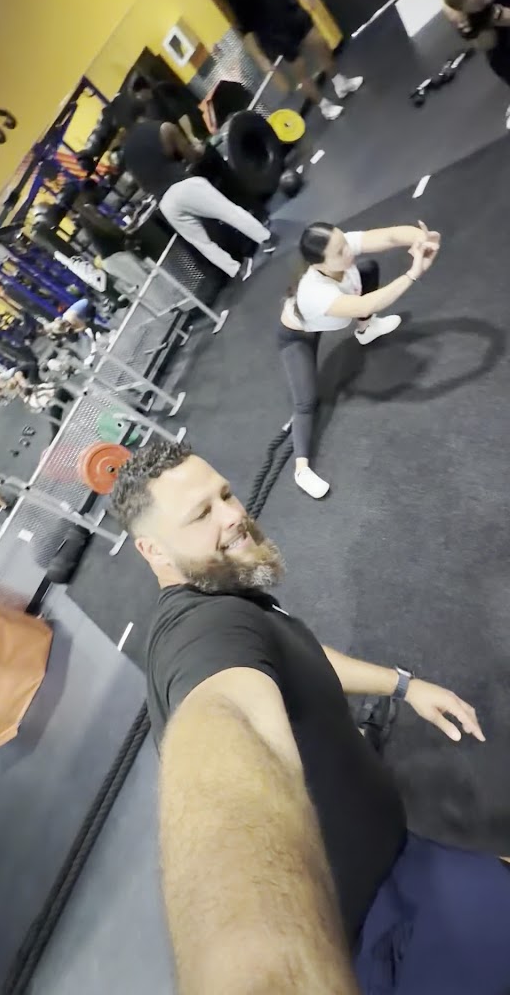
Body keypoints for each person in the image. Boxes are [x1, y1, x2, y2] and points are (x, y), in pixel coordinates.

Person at [110, 440, 510, 995]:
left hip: (403, 859)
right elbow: (222, 720)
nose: (233, 515)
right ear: (152, 549)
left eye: (225, 494)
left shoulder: (227, 594)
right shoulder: (200, 631)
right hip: (387, 931)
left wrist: (403, 686)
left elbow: (298, 657)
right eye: (201, 514)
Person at [278, 220, 441, 499]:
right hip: (297, 337)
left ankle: (365, 329)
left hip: (326, 317)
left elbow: (389, 236)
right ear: (319, 264)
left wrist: (421, 239)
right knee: (305, 403)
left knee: (367, 269)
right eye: (339, 252)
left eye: (344, 243)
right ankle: (301, 470)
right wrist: (413, 273)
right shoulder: (314, 292)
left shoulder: (339, 248)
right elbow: (366, 303)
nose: (347, 250)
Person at [118, 105, 275, 279]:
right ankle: (267, 239)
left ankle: (238, 270)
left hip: (165, 203)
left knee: (202, 243)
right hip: (183, 185)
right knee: (228, 212)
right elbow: (192, 156)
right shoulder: (163, 128)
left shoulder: (126, 153)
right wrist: (198, 148)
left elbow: (142, 184)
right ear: (143, 113)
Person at [225, 0, 364, 121]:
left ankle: (340, 83)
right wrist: (261, 60)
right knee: (301, 71)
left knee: (320, 43)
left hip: (292, 13)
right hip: (275, 34)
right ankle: (325, 106)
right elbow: (246, 29)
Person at [440, 0, 510, 127]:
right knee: (499, 57)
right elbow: (486, 44)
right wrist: (473, 26)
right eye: (479, 1)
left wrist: (499, 16)